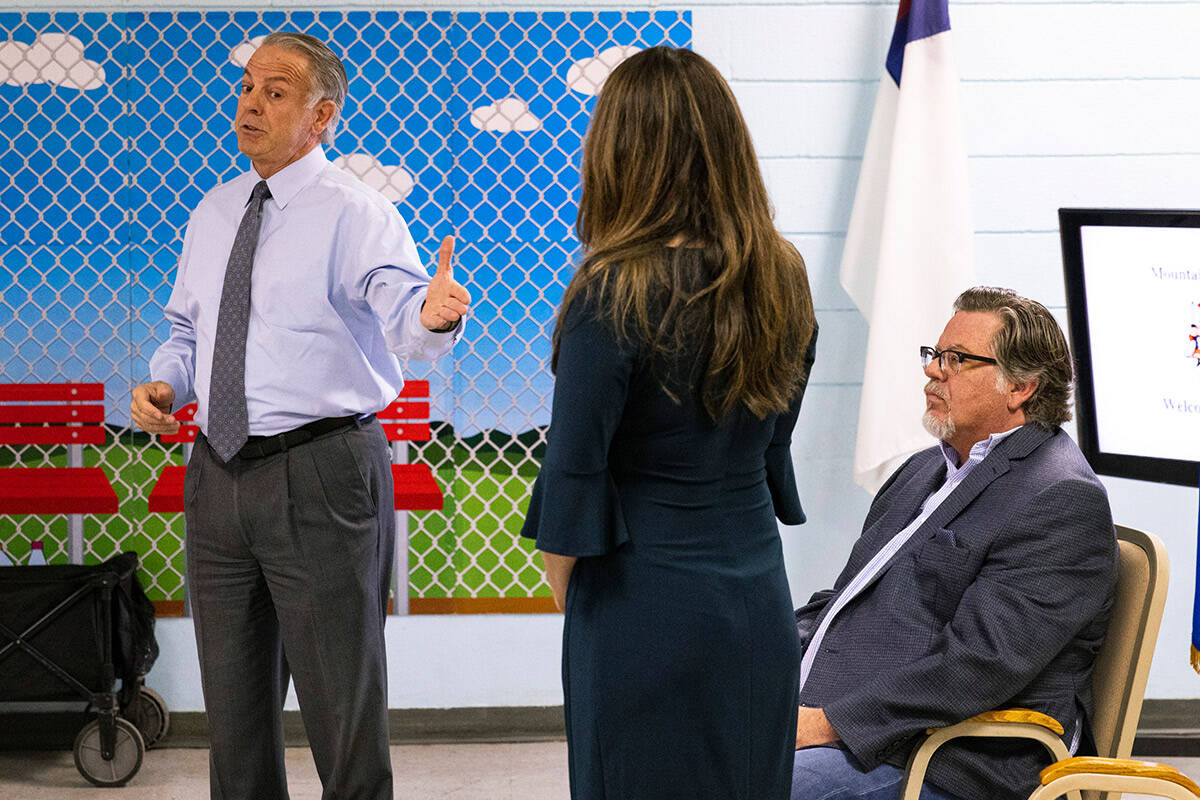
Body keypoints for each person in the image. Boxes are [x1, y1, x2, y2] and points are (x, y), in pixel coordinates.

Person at [129, 32, 470, 800]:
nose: (250, 102)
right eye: (248, 87)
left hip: (321, 476)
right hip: (215, 480)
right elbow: (187, 333)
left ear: (321, 118)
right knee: (235, 722)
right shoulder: (214, 212)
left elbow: (404, 313)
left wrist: (436, 315)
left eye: (274, 92)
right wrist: (164, 385)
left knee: (342, 715)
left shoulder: (359, 214)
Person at [520, 46, 819, 800]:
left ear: (623, 154)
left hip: (637, 610)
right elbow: (772, 445)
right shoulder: (784, 276)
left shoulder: (610, 289)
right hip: (756, 605)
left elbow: (572, 482)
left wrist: (591, 621)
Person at [789, 287, 1118, 800]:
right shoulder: (927, 468)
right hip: (848, 715)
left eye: (956, 360)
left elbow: (975, 667)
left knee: (742, 781)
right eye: (935, 354)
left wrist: (824, 724)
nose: (933, 371)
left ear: (1022, 386)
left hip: (951, 757)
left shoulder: (1060, 499)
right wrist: (757, 653)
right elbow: (847, 602)